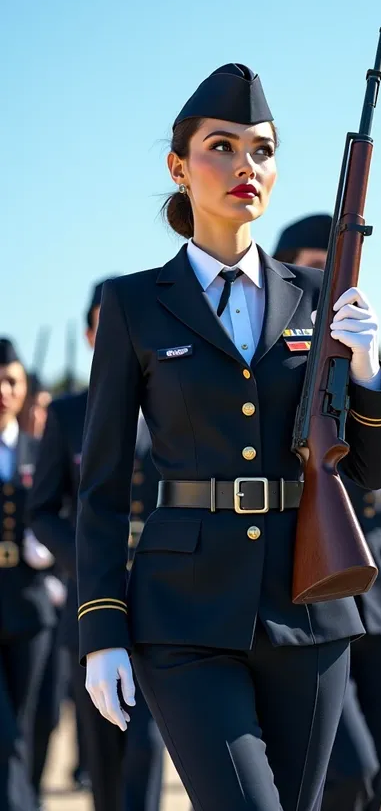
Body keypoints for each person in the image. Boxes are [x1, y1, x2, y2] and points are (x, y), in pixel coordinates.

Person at [76, 63, 381, 811]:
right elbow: (99, 487)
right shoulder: (134, 305)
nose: (245, 167)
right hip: (183, 613)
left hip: (307, 601)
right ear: (178, 166)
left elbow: (374, 469)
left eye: (261, 150)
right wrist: (100, 628)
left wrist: (369, 373)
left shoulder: (319, 294)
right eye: (221, 147)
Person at [278, 214, 381, 810]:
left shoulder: (372, 366)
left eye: (333, 271)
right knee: (344, 771)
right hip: (313, 591)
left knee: (375, 781)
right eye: (310, 270)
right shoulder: (275, 366)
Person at [28, 283, 165, 811]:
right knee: (104, 757)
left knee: (149, 749)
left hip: (160, 600)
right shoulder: (66, 415)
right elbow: (43, 510)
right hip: (91, 607)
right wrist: (86, 562)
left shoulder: (171, 403)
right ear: (91, 335)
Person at [0, 338, 56, 811]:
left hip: (30, 605)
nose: (3, 389)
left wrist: (51, 552)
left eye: (11, 380)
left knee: (32, 719)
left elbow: (67, 512)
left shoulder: (39, 452)